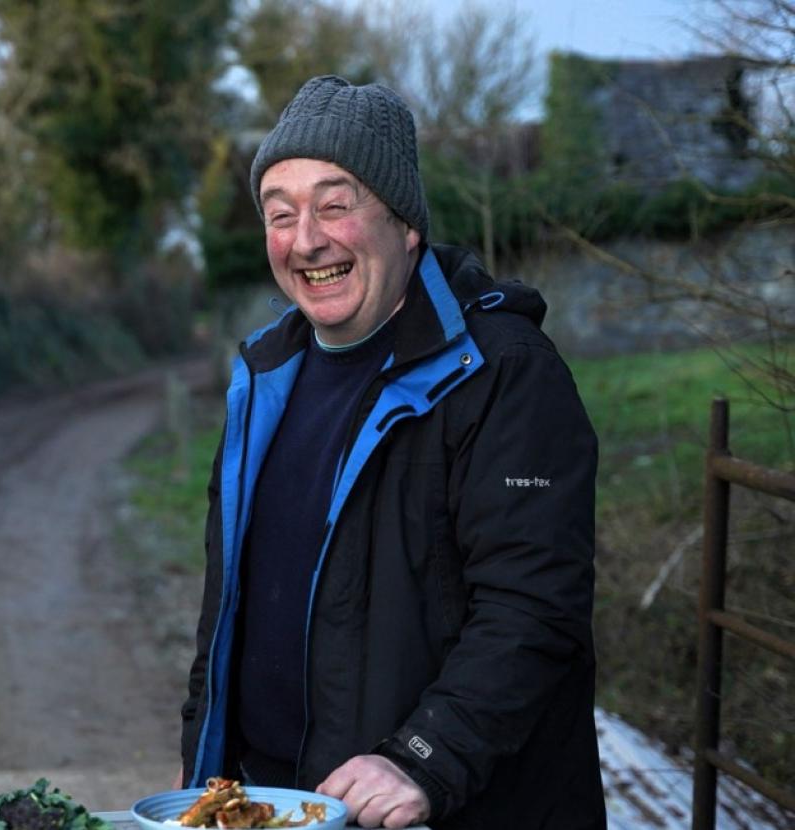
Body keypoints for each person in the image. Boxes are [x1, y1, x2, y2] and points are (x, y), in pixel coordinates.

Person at [180, 74, 606, 830]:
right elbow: (227, 616)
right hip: (273, 806)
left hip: (438, 806)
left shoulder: (504, 372)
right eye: (281, 215)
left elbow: (533, 608)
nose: (306, 239)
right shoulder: (263, 375)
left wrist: (423, 757)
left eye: (335, 206)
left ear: (406, 224)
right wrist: (204, 781)